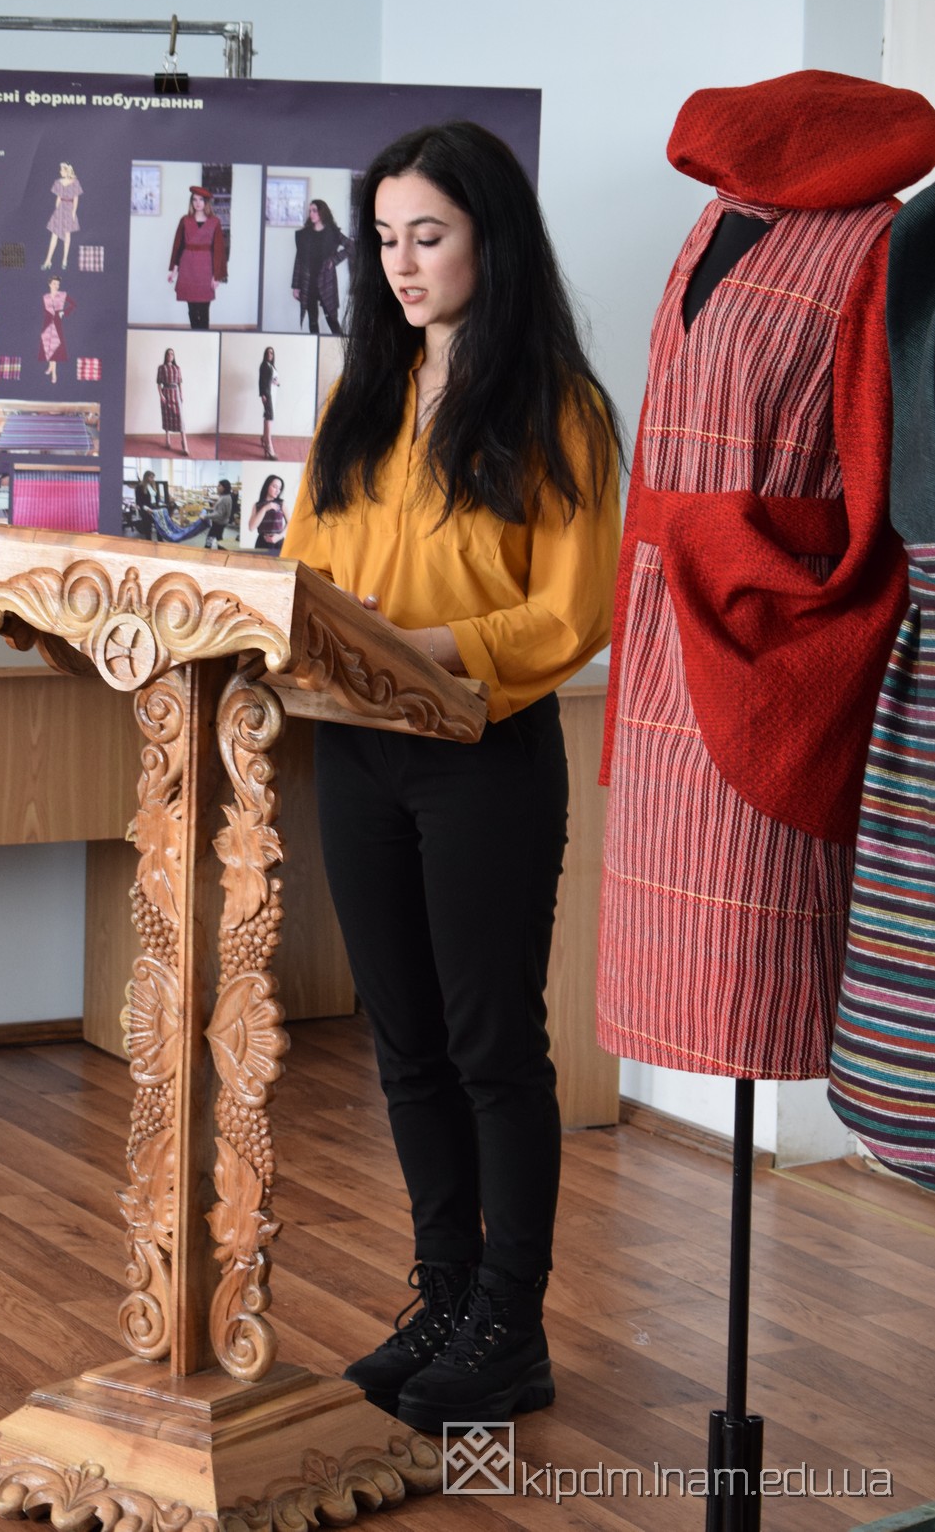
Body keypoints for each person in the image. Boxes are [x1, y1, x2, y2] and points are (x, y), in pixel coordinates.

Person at [281, 120, 622, 1430]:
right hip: (356, 747)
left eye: (428, 235)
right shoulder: (359, 395)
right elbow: (305, 562)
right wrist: (333, 626)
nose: (401, 264)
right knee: (405, 1041)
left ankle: (508, 1324)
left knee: (491, 1046)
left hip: (481, 752)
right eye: (384, 240)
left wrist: (424, 644)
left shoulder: (559, 408)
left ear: (492, 237)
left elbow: (571, 611)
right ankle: (442, 1294)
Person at [168, 184, 227, 329]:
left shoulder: (214, 222)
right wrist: (174, 270)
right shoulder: (185, 220)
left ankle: (204, 336)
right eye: (194, 200)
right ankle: (194, 335)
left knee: (204, 310)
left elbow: (219, 250)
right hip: (188, 267)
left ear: (206, 202)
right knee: (192, 309)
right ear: (191, 202)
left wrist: (216, 276)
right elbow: (178, 246)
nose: (197, 203)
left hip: (206, 268)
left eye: (201, 199)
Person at [292, 197, 351, 334]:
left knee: (331, 318)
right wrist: (296, 286)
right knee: (312, 320)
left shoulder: (333, 233)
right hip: (308, 281)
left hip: (326, 280)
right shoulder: (304, 234)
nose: (311, 214)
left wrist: (334, 260)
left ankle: (340, 345)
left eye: (314, 210)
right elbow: (299, 260)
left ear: (322, 212)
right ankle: (314, 344)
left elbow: (351, 246)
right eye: (310, 211)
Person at [43, 161, 82, 271]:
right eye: (60, 170)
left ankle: (64, 260)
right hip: (60, 209)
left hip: (69, 209)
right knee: (54, 235)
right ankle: (48, 260)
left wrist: (73, 213)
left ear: (66, 171)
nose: (60, 171)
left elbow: (76, 199)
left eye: (62, 170)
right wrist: (57, 210)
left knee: (67, 236)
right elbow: (58, 198)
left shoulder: (75, 182)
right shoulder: (58, 182)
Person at [39, 276, 75, 384]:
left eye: (58, 284)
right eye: (54, 283)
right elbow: (44, 310)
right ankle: (50, 367)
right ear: (50, 284)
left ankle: (54, 373)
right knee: (48, 346)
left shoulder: (63, 294)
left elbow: (74, 304)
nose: (56, 286)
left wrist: (64, 312)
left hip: (57, 322)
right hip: (47, 322)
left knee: (54, 347)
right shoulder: (45, 297)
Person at [156, 345, 189, 454]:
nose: (170, 355)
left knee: (180, 418)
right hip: (166, 393)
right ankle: (167, 440)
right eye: (168, 353)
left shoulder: (177, 368)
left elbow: (179, 383)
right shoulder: (161, 368)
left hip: (175, 393)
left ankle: (184, 444)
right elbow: (158, 383)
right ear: (165, 356)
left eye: (172, 354)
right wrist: (161, 395)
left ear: (174, 356)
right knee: (166, 416)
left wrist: (181, 394)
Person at [248, 472, 288, 552]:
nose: (277, 491)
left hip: (278, 542)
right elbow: (251, 527)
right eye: (274, 487)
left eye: (279, 488)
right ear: (267, 486)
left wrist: (280, 536)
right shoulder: (257, 505)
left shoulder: (281, 503)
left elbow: (290, 523)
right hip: (262, 543)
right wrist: (265, 508)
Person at [257, 344, 280, 459]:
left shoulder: (271, 366)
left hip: (273, 394)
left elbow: (272, 380)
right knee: (269, 417)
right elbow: (261, 381)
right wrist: (262, 394)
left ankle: (264, 438)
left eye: (272, 352)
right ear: (265, 354)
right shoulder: (264, 365)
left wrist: (277, 383)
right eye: (268, 352)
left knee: (268, 416)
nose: (270, 354)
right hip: (268, 395)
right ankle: (269, 445)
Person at [205, 476, 235, 549]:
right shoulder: (225, 496)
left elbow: (219, 514)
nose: (217, 487)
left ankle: (206, 550)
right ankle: (221, 550)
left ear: (224, 487)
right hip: (221, 522)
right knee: (219, 537)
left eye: (219, 486)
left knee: (210, 537)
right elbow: (220, 510)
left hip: (219, 522)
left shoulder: (224, 498)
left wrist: (206, 516)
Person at [134, 470, 160, 538]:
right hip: (146, 509)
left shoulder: (153, 486)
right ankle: (149, 542)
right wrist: (147, 509)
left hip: (154, 507)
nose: (153, 479)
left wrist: (157, 506)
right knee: (148, 528)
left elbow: (156, 498)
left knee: (159, 526)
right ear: (146, 477)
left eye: (153, 477)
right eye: (151, 477)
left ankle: (160, 541)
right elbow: (138, 501)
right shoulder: (139, 487)